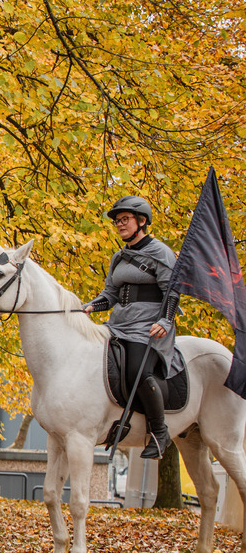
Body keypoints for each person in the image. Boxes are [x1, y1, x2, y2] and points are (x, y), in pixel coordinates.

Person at [83, 195, 180, 460]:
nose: (119, 225)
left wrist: (165, 321)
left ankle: (160, 432)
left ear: (142, 221)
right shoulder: (119, 257)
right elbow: (110, 295)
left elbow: (172, 291)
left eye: (124, 219)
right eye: (117, 221)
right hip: (118, 325)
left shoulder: (161, 252)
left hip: (148, 328)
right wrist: (89, 306)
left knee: (138, 369)